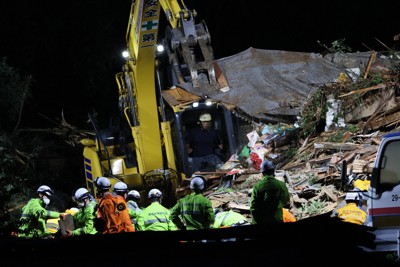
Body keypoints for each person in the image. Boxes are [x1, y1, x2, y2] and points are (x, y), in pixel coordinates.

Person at [250, 160, 290, 224]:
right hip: (277, 219)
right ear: (273, 171)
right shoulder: (281, 184)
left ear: (263, 173)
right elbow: (285, 201)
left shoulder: (257, 186)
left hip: (261, 221)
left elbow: (253, 207)